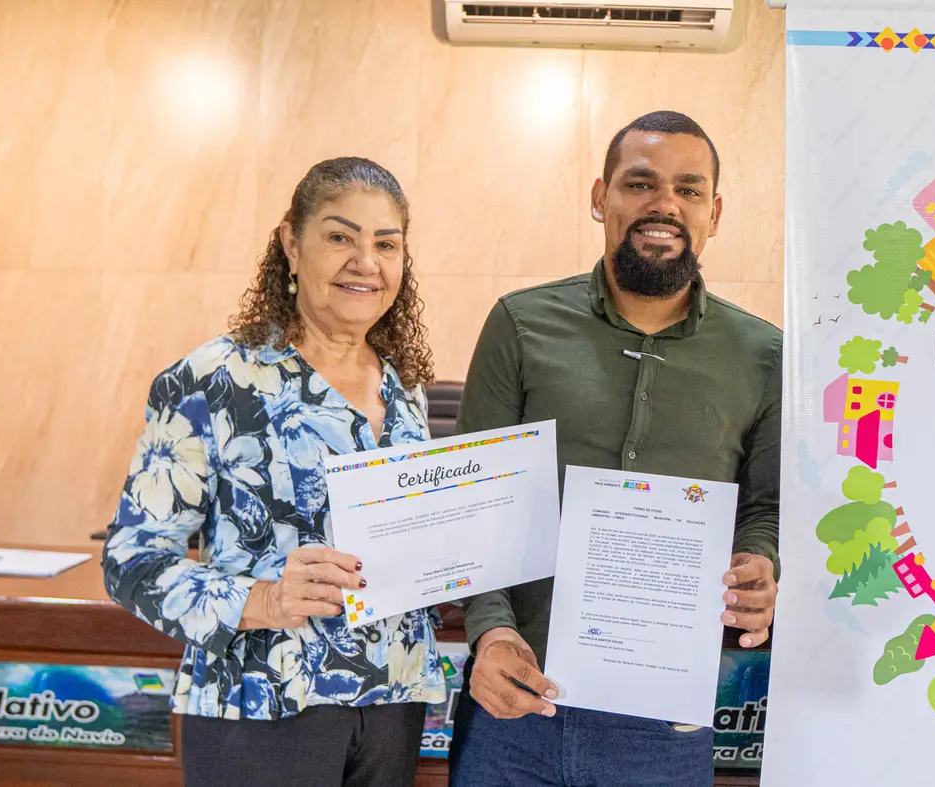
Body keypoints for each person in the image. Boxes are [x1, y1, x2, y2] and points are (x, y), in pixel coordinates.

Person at [447, 111, 782, 787]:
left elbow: (766, 507)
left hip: (665, 725)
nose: (665, 204)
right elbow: (474, 499)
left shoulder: (764, 354)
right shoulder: (520, 324)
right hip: (516, 702)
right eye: (640, 183)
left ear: (714, 213)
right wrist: (490, 630)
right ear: (601, 197)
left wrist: (761, 563)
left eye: (689, 189)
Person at [101, 157, 447, 787]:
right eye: (340, 237)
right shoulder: (213, 380)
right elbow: (131, 562)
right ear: (291, 242)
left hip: (393, 703)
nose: (366, 262)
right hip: (260, 705)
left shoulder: (404, 388)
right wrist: (263, 599)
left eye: (386, 244)